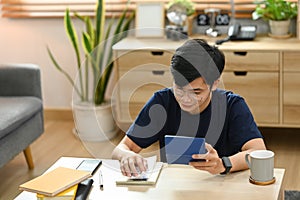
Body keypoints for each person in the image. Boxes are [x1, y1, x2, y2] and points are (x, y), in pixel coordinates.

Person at [112, 38, 266, 177]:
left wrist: (222, 164)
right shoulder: (162, 102)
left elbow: (258, 152)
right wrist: (126, 155)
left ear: (215, 84)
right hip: (174, 186)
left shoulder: (233, 106)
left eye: (196, 91)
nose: (185, 99)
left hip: (220, 182)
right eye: (179, 89)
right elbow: (123, 147)